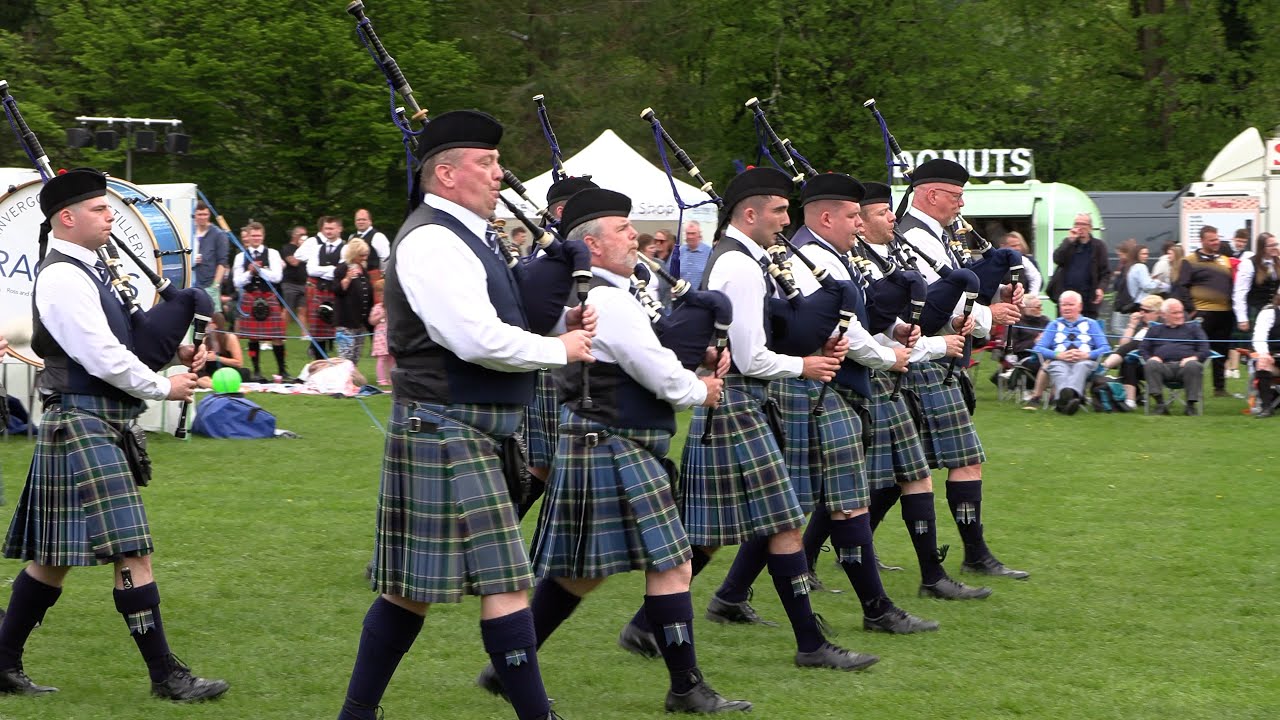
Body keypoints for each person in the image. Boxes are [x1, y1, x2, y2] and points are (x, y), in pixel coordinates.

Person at [335, 110, 595, 720]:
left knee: (408, 594)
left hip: (469, 430)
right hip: (447, 428)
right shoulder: (429, 238)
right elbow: (473, 339)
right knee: (502, 586)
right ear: (446, 174)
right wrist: (559, 350)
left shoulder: (472, 238)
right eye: (487, 163)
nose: (500, 175)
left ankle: (355, 714)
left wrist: (558, 321)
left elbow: (503, 323)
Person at [477, 188, 750, 713]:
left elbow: (652, 355)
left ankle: (505, 666)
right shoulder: (608, 299)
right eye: (623, 229)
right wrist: (701, 390)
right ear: (593, 246)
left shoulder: (604, 294)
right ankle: (686, 687)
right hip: (614, 443)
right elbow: (659, 372)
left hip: (600, 442)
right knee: (672, 566)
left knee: (581, 573)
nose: (635, 237)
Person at [618, 168, 874, 672]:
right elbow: (750, 356)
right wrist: (807, 366)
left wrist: (811, 343)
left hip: (739, 404)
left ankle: (646, 624)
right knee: (782, 523)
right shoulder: (738, 267)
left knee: (710, 534)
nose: (786, 221)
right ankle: (810, 644)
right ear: (749, 214)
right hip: (737, 401)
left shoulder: (750, 260)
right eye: (779, 211)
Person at [0, 168, 228, 701]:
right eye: (101, 210)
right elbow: (100, 357)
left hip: (92, 420)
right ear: (67, 218)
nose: (110, 218)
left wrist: (176, 348)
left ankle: (1, 661)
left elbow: (126, 339)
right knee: (132, 552)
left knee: (52, 559)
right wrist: (162, 387)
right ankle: (166, 676)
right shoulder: (61, 276)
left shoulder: (93, 269)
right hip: (82, 419)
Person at [786, 174, 937, 634]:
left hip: (834, 386)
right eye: (853, 215)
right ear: (827, 217)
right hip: (817, 387)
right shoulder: (811, 256)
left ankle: (724, 599)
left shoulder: (834, 254)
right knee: (823, 507)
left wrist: (891, 334)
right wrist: (888, 356)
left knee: (797, 510)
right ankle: (876, 609)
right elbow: (841, 332)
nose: (859, 224)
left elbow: (857, 319)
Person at [840, 181, 998, 597]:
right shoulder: (865, 255)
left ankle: (943, 568)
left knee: (905, 476)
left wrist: (963, 323)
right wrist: (932, 343)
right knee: (858, 484)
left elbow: (897, 317)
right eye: (874, 214)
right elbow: (873, 326)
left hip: (905, 362)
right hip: (886, 371)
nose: (889, 218)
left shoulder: (901, 248)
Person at [894, 159, 1029, 586]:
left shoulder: (935, 233)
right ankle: (972, 555)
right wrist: (995, 315)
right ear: (932, 195)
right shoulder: (915, 235)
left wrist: (998, 293)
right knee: (940, 464)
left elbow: (967, 288)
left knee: (894, 472)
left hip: (936, 356)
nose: (962, 203)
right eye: (956, 196)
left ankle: (973, 553)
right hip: (924, 356)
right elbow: (947, 302)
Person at [514, 174, 599, 522]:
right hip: (557, 367)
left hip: (570, 363)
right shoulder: (555, 255)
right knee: (550, 469)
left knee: (549, 470)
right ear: (562, 210)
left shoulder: (562, 249)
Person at [1174, 226, 1233, 397]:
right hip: (1202, 313)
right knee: (1196, 350)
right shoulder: (1190, 260)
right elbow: (1182, 286)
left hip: (1225, 313)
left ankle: (1219, 388)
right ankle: (1193, 387)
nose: (1216, 242)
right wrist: (1192, 310)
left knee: (1222, 351)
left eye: (1217, 239)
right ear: (1202, 241)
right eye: (1212, 240)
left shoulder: (1225, 260)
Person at [1032, 291, 1110, 415]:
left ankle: (1063, 401)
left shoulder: (1092, 324)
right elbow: (1039, 348)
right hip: (1059, 360)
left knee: (1081, 366)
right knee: (1058, 367)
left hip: (1084, 361)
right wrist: (1058, 355)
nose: (1066, 308)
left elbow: (1105, 348)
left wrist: (1087, 355)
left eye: (1070, 305)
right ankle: (1070, 400)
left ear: (1080, 307)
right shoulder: (1053, 325)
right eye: (1064, 305)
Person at [232, 221, 290, 382]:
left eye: (259, 235)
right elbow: (237, 282)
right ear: (248, 237)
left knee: (278, 337)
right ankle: (256, 371)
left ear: (263, 236)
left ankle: (282, 371)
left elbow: (277, 277)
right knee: (253, 337)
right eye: (253, 235)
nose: (256, 238)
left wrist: (260, 270)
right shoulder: (240, 257)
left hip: (268, 297)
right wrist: (250, 272)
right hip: (250, 298)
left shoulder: (273, 253)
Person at [1140, 298, 1210, 415]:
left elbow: (1205, 349)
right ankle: (1160, 404)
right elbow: (1143, 349)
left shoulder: (1194, 329)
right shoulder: (1154, 330)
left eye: (1181, 312)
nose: (1179, 316)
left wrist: (1193, 358)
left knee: (1193, 365)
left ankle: (1190, 406)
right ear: (1164, 315)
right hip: (1163, 367)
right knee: (1151, 364)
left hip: (1185, 367)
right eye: (1175, 313)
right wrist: (1151, 358)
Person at [1101, 295, 1164, 409]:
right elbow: (1123, 345)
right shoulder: (1140, 325)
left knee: (1138, 345)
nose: (1141, 313)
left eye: (1146, 311)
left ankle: (1104, 367)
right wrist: (1132, 325)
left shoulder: (1164, 327)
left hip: (1157, 366)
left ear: (1158, 313)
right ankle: (1130, 401)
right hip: (1139, 365)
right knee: (1128, 359)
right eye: (1141, 310)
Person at [298, 216, 346, 359]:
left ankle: (342, 367)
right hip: (320, 293)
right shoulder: (317, 248)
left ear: (339, 229)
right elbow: (311, 270)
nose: (329, 231)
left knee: (340, 334)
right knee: (318, 335)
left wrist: (325, 270)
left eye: (332, 228)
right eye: (326, 228)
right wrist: (331, 269)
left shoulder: (346, 248)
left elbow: (342, 271)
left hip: (338, 294)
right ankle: (320, 365)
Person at [1047, 213, 1109, 318]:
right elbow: (1057, 259)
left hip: (1088, 300)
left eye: (1083, 224)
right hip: (1066, 298)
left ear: (1090, 228)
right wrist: (1069, 241)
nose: (1079, 227)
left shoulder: (1098, 246)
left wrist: (1101, 288)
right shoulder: (1068, 243)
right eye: (1077, 224)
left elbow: (1105, 272)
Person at [1112, 239, 1168, 335]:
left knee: (1126, 328)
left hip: (1132, 304)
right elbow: (1147, 285)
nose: (1146, 256)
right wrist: (1159, 283)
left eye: (1147, 254)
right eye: (1143, 254)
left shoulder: (1130, 267)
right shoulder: (1140, 267)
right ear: (1136, 254)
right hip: (1141, 304)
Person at [333, 238, 375, 364]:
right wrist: (347, 278)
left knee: (356, 355)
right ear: (353, 254)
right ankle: (343, 380)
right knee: (346, 355)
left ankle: (350, 381)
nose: (365, 257)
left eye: (366, 254)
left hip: (360, 321)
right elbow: (336, 290)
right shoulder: (342, 269)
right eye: (361, 255)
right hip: (346, 320)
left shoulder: (363, 270)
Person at [1233, 232, 1279, 332]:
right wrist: (1242, 319)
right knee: (1252, 346)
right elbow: (1240, 293)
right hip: (1254, 312)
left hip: (1273, 313)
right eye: (1271, 245)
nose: (1275, 247)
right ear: (1262, 248)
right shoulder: (1249, 263)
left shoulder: (1277, 263)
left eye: (1276, 244)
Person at [191, 201, 229, 312]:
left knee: (214, 313)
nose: (202, 217)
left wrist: (215, 285)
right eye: (199, 214)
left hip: (209, 282)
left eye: (205, 214)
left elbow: (222, 262)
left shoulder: (218, 234)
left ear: (209, 215)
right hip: (193, 281)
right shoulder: (189, 231)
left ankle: (219, 327)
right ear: (194, 215)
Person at [195, 312, 247, 388]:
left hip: (229, 372)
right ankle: (218, 385)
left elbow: (239, 363)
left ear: (215, 325)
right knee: (197, 378)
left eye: (207, 323)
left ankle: (218, 385)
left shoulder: (229, 338)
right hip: (211, 374)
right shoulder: (205, 340)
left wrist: (217, 358)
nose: (205, 326)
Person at [1251, 291, 1280, 417]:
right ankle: (1267, 407)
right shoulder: (1268, 313)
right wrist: (1264, 354)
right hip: (1274, 360)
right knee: (1262, 364)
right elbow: (1259, 337)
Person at [280, 225, 310, 336]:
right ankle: (281, 334)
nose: (304, 237)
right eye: (301, 235)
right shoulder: (287, 248)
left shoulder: (307, 249)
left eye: (305, 235)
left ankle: (304, 334)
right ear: (294, 235)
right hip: (290, 283)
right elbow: (294, 262)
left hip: (304, 282)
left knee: (303, 310)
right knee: (287, 309)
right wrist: (302, 249)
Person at [1001, 231, 1041, 297]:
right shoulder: (996, 262)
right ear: (1003, 246)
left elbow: (1036, 278)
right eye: (1013, 246)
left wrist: (1031, 296)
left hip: (1022, 300)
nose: (1017, 248)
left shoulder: (1026, 260)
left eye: (1019, 245)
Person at [368, 280, 393, 387]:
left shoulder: (393, 307)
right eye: (380, 294)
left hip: (391, 336)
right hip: (380, 338)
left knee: (392, 358)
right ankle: (381, 379)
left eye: (384, 293)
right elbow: (371, 321)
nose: (382, 296)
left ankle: (391, 378)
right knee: (382, 358)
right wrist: (380, 316)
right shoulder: (377, 308)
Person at [675, 221, 709, 290]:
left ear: (699, 234)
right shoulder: (679, 251)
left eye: (693, 233)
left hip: (702, 297)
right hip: (682, 297)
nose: (690, 236)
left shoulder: (709, 252)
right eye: (688, 233)